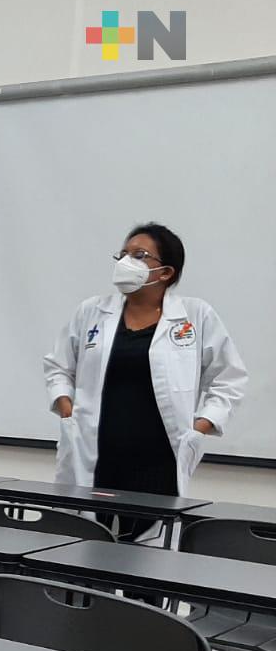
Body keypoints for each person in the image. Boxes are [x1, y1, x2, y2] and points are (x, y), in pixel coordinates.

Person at [44, 223, 246, 532]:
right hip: (94, 453)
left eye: (139, 255)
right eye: (123, 254)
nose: (126, 262)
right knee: (83, 539)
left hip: (158, 459)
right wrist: (67, 410)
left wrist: (200, 426)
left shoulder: (196, 316)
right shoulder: (91, 312)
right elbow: (58, 366)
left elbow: (229, 379)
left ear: (166, 272)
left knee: (148, 544)